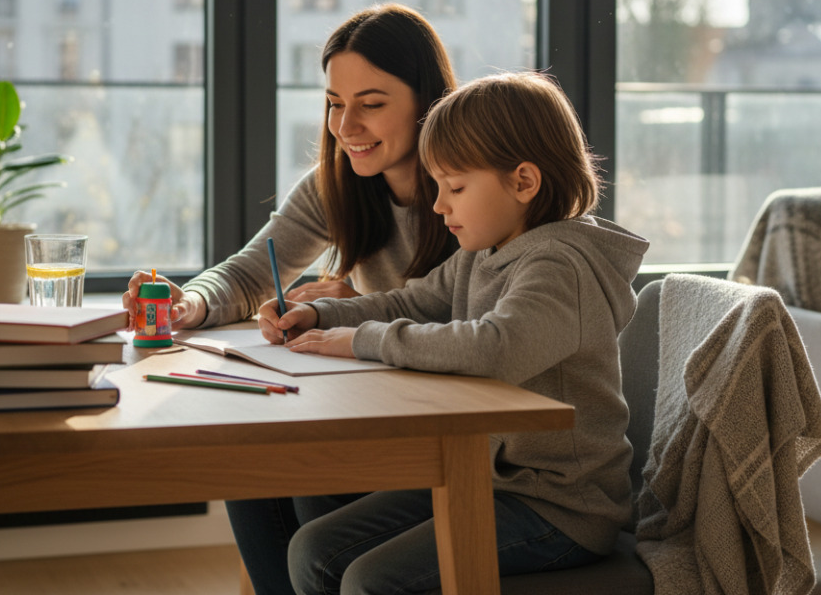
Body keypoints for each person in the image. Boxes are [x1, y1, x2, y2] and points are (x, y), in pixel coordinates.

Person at [260, 71, 650, 594]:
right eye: (437, 186)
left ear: (523, 182)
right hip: (486, 479)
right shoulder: (481, 253)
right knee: (314, 550)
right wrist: (325, 315)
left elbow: (497, 347)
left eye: (455, 187)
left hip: (560, 507)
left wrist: (363, 339)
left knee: (373, 581)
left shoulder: (562, 264)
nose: (440, 205)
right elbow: (414, 301)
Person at [122, 2, 459, 595]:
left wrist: (343, 302)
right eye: (334, 104)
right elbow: (250, 273)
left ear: (428, 101)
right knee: (252, 467)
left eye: (371, 104)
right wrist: (188, 306)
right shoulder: (339, 184)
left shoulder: (471, 188)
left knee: (312, 475)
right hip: (387, 397)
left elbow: (466, 316)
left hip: (454, 413)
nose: (346, 126)